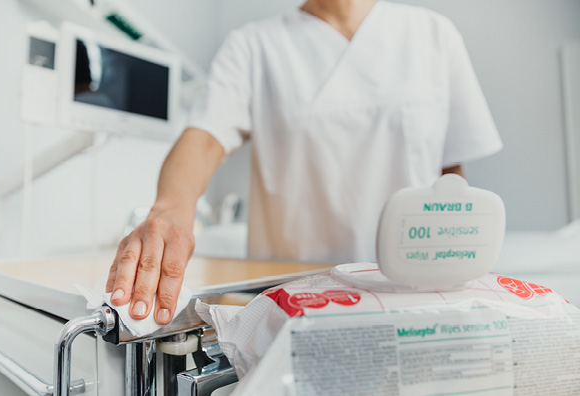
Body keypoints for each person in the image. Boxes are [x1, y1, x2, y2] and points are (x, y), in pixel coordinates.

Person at [105, 0, 502, 325]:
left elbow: (451, 176)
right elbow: (205, 138)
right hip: (297, 300)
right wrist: (172, 208)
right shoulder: (254, 45)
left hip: (413, 297)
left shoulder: (433, 35)